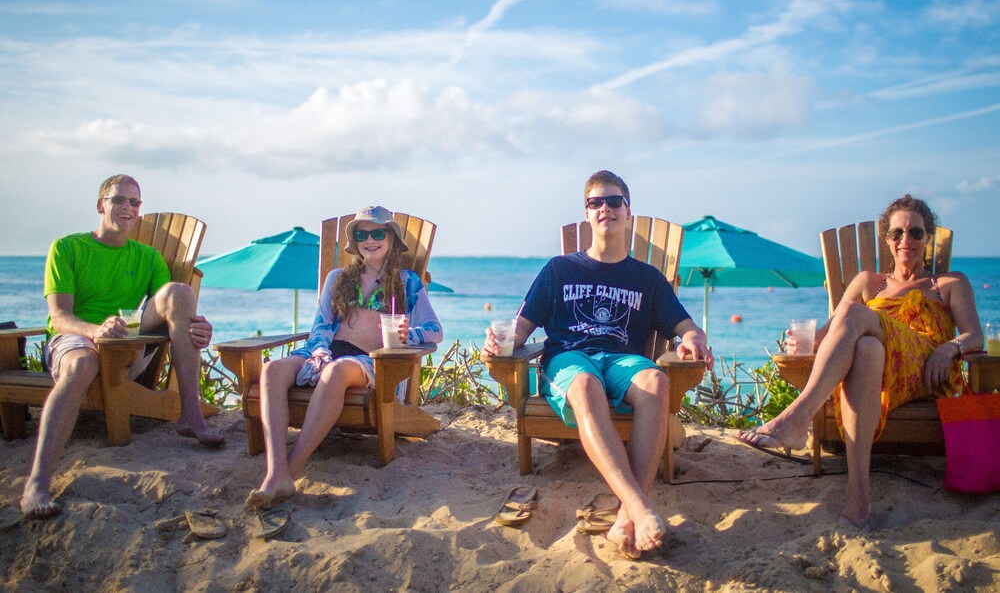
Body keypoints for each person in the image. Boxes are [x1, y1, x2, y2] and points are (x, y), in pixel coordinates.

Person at [481, 171, 712, 559]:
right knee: (586, 384)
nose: (605, 208)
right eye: (596, 203)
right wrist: (499, 340)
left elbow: (687, 327)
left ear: (628, 212)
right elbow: (520, 329)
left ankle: (626, 513)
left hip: (623, 360)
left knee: (656, 380)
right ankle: (639, 507)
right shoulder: (559, 269)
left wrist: (694, 340)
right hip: (570, 358)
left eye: (614, 201)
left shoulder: (648, 279)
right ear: (586, 214)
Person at [738, 195, 983, 528]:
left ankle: (797, 418)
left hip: (924, 370)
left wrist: (949, 347)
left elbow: (975, 336)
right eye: (897, 233)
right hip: (881, 374)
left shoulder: (949, 283)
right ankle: (859, 499)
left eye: (915, 233)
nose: (905, 241)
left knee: (855, 313)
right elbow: (830, 333)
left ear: (928, 238)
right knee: (867, 348)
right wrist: (803, 342)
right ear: (886, 239)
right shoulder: (869, 282)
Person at [21, 174, 223, 519]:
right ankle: (37, 484)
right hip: (76, 339)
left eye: (135, 202)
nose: (127, 207)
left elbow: (170, 310)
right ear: (101, 204)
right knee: (82, 364)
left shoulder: (147, 257)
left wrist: (195, 326)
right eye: (119, 200)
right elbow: (60, 316)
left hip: (127, 345)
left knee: (180, 292)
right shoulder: (68, 248)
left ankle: (191, 415)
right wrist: (96, 330)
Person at [246, 205, 443, 509]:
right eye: (362, 234)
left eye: (378, 232)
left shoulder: (407, 282)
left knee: (335, 372)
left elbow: (434, 330)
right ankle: (275, 472)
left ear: (391, 237)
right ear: (355, 241)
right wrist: (321, 351)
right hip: (326, 352)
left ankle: (289, 472)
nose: (370, 239)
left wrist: (409, 335)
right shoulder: (338, 278)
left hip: (374, 362)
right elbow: (321, 326)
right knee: (271, 370)